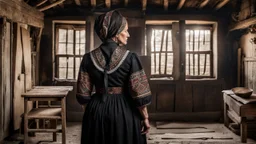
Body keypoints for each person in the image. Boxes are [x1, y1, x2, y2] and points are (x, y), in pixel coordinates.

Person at [76, 10, 152, 144]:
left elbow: (83, 95)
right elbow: (139, 92)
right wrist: (145, 117)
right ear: (116, 32)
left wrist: (93, 115)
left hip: (96, 110)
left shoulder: (88, 58)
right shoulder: (130, 58)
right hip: (125, 111)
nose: (128, 34)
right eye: (126, 30)